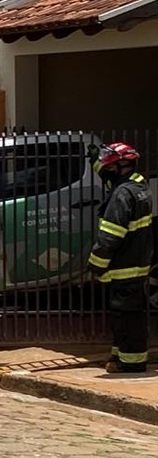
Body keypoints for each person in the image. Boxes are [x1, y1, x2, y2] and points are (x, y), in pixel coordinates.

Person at [88, 142, 153, 373]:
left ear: (121, 165)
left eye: (110, 163)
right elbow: (105, 173)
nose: (105, 167)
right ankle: (119, 355)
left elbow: (111, 236)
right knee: (122, 315)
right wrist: (94, 159)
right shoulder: (138, 185)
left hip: (124, 266)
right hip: (135, 264)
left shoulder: (121, 195)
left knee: (127, 317)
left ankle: (132, 363)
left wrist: (96, 263)